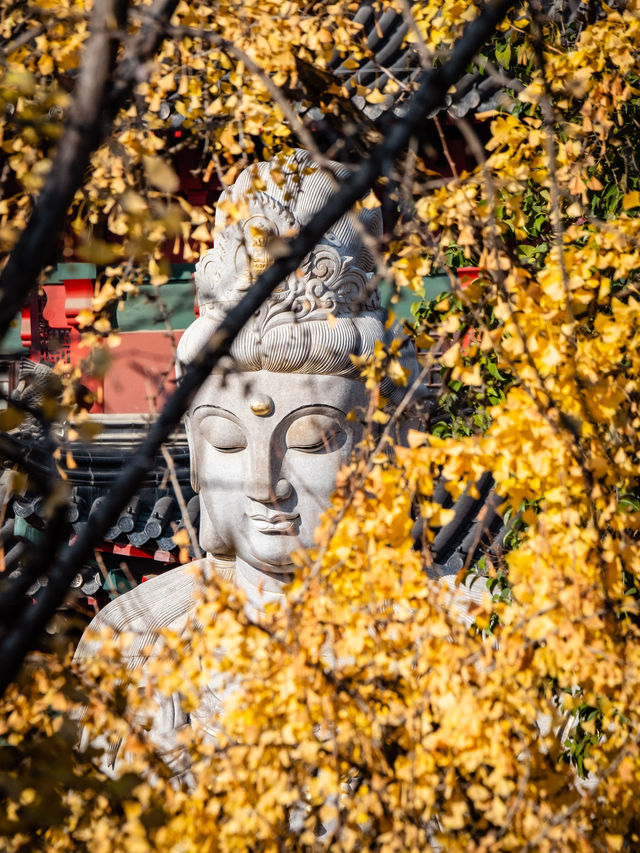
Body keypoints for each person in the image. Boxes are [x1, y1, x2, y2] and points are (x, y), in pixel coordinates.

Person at [74, 149, 482, 775]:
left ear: (385, 450)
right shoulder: (132, 643)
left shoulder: (471, 641)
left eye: (313, 442)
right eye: (230, 444)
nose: (266, 486)